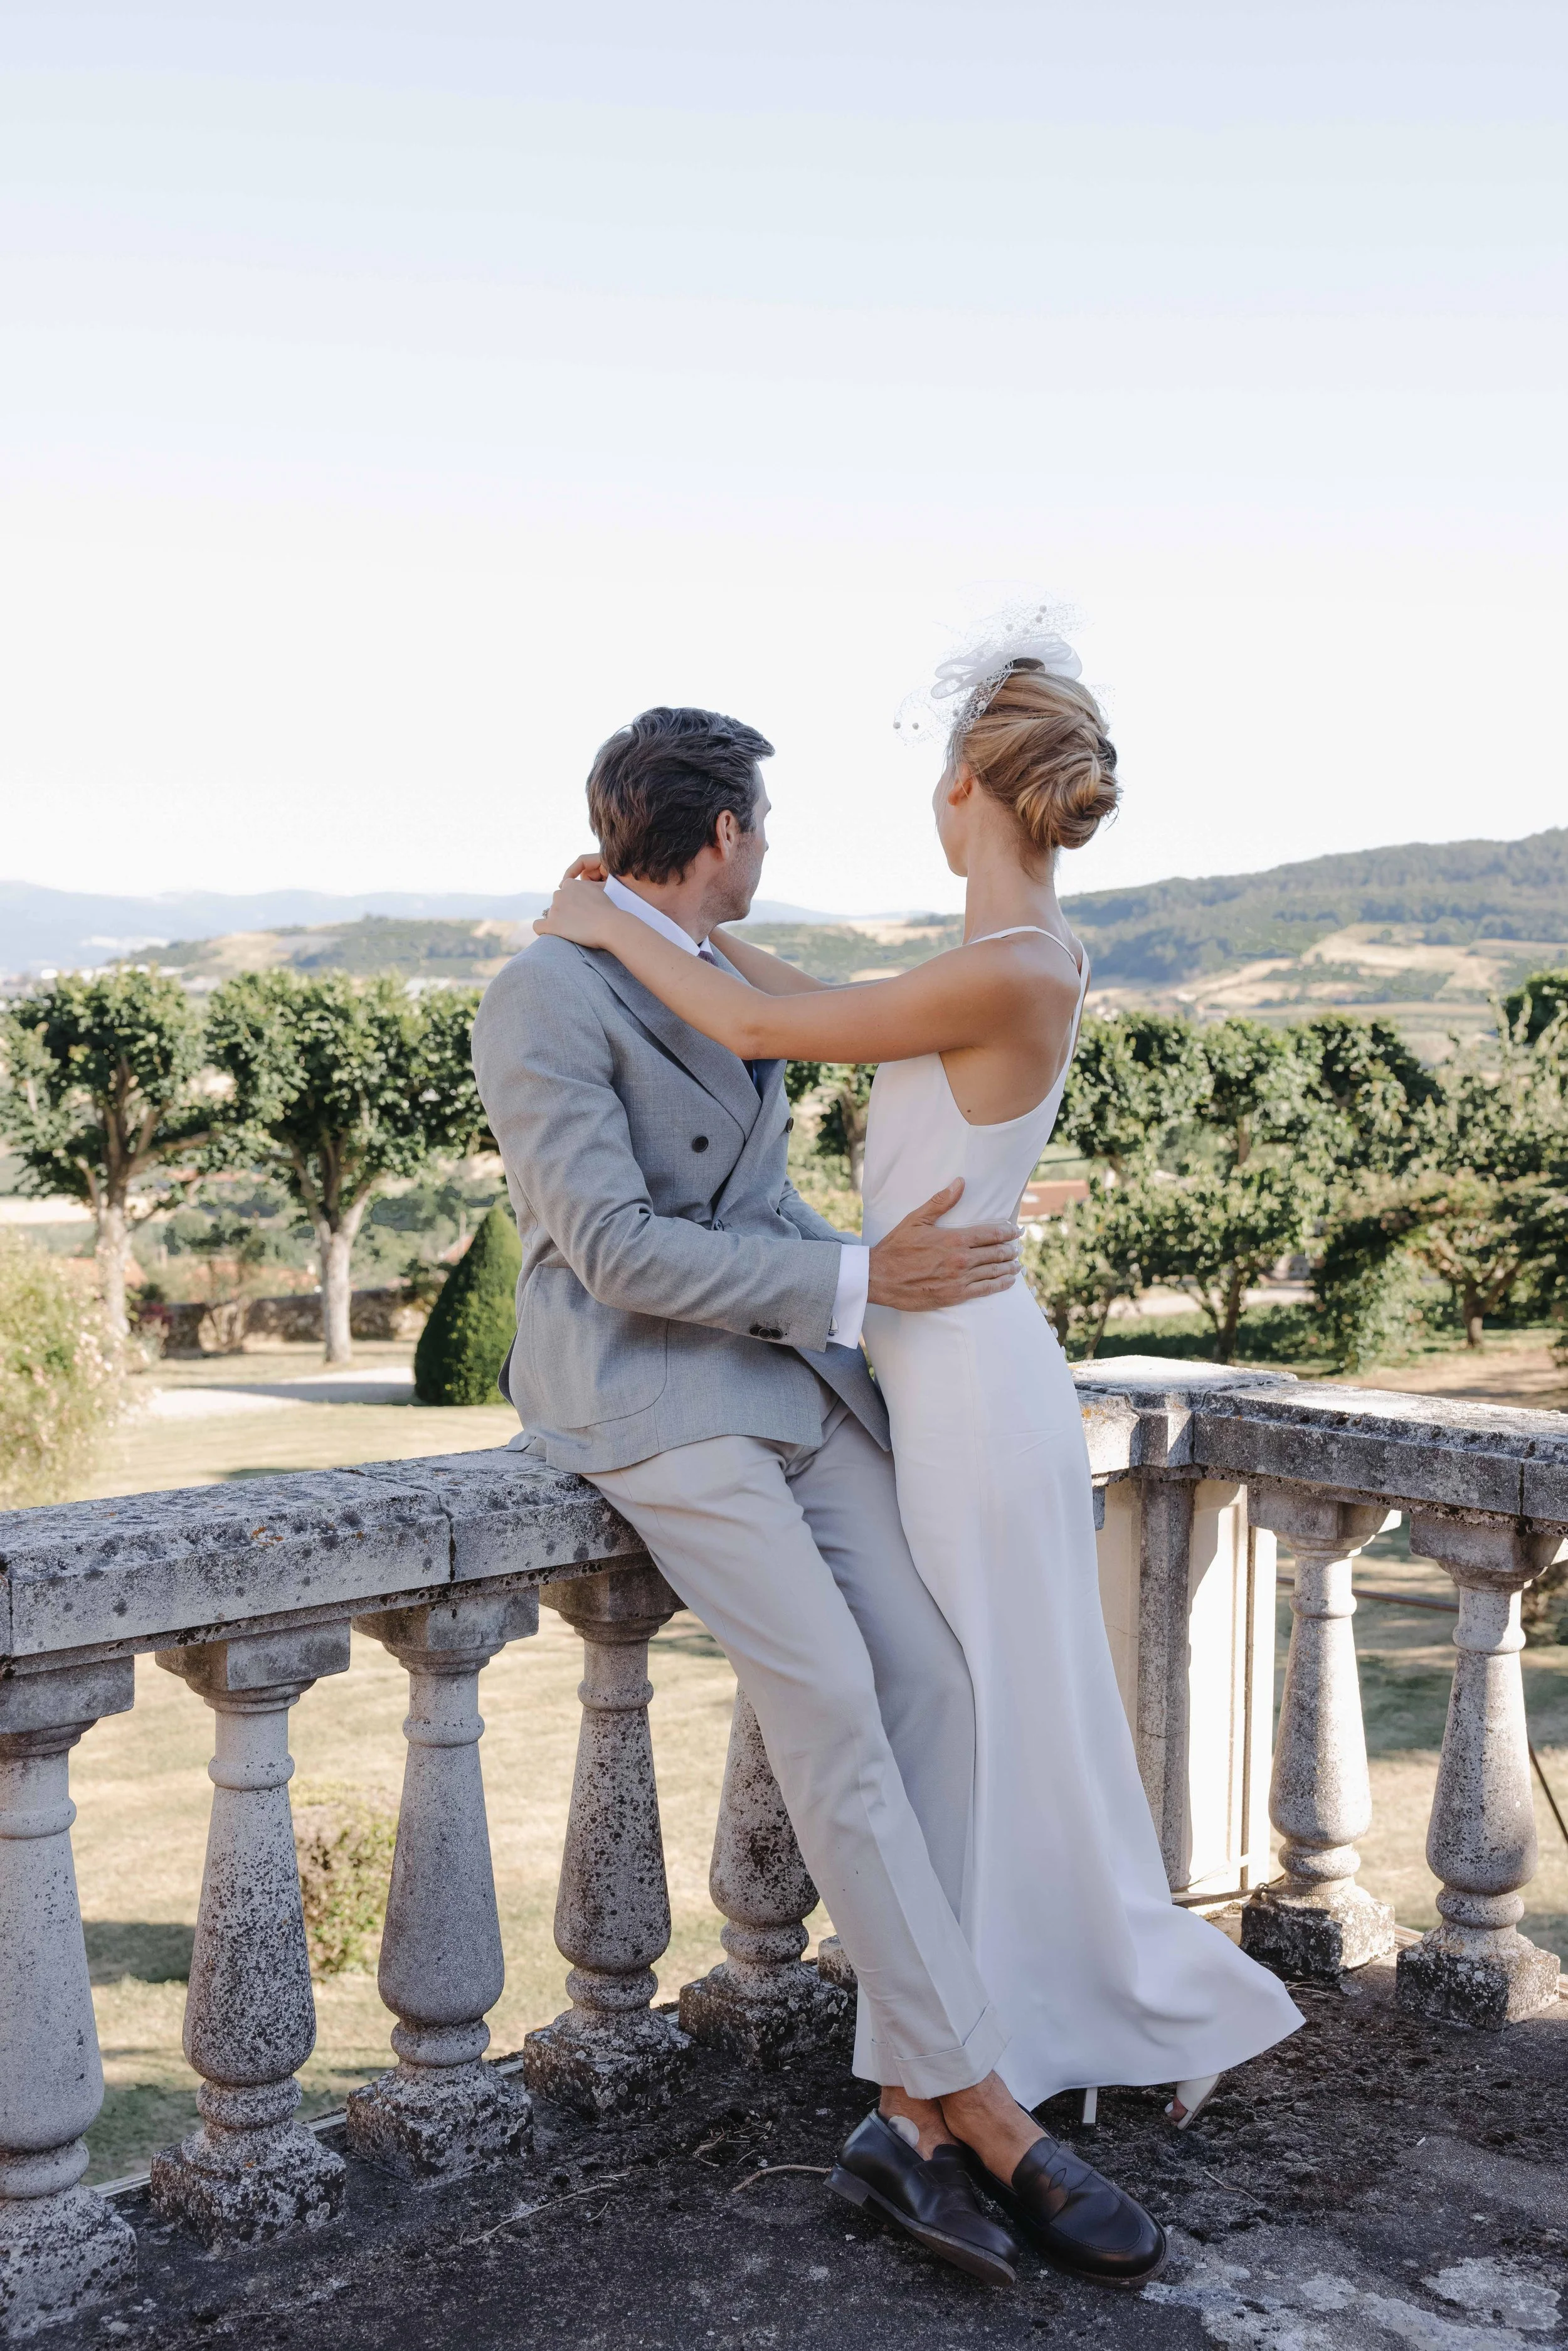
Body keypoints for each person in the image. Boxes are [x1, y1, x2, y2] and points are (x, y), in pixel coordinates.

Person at [531, 615, 1304, 2166]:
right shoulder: (1002, 960)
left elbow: (766, 1025)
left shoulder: (1005, 967)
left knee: (989, 1701)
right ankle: (1008, 2024)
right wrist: (641, 924)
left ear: (964, 786)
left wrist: (600, 915)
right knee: (980, 1701)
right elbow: (796, 989)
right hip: (943, 1366)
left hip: (960, 1379)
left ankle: (1065, 2016)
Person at [475, 694, 1168, 2295]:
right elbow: (612, 1249)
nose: (768, 848)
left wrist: (858, 1283)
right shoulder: (542, 992)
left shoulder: (698, 966)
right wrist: (861, 1281)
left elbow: (756, 1184)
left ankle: (903, 2112)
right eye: (764, 825)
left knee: (934, 1678)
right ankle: (979, 2105)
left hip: (790, 1375)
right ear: (723, 833)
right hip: (651, 1394)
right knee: (835, 1700)